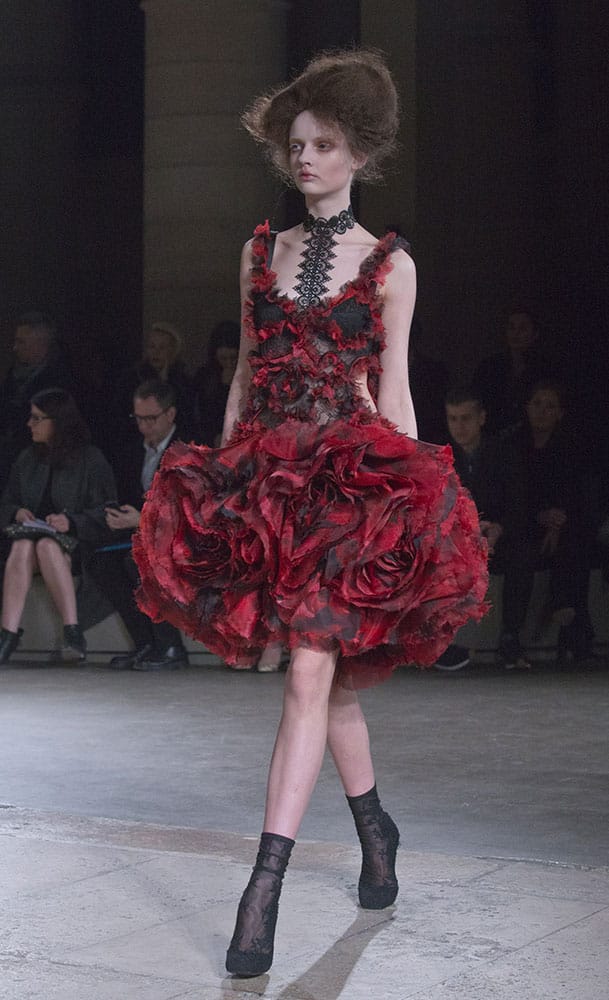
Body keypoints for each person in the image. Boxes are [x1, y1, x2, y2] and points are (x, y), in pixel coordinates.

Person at [133, 50, 488, 977]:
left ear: (358, 154)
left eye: (323, 145)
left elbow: (397, 394)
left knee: (307, 677)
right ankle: (375, 831)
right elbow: (247, 378)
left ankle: (264, 891)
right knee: (321, 685)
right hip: (269, 490)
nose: (304, 159)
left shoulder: (391, 266)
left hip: (353, 497)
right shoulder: (258, 251)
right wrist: (218, 486)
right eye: (294, 144)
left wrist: (418, 508)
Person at [0, 387, 116, 663]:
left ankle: (71, 630)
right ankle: (9, 632)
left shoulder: (90, 459)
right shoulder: (27, 458)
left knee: (46, 548)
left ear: (58, 421)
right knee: (25, 545)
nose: (30, 424)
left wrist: (71, 521)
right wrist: (17, 513)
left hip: (74, 543)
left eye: (37, 418)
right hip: (29, 538)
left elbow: (107, 509)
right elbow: (7, 502)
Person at [89, 380, 189, 671]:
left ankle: (170, 646)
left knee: (139, 561)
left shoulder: (188, 448)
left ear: (170, 414)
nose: (144, 425)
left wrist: (143, 518)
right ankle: (145, 642)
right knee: (101, 562)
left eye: (151, 418)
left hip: (182, 536)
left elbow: (191, 507)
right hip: (141, 532)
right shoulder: (131, 451)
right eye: (138, 418)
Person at [436, 387, 508, 670]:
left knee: (522, 555)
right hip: (457, 535)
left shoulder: (502, 453)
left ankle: (510, 638)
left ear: (482, 418)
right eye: (453, 419)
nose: (459, 426)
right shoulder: (442, 455)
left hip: (497, 532)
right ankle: (447, 643)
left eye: (466, 418)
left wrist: (497, 529)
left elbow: (516, 501)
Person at [0, 313, 73, 488]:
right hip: (13, 450)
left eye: (21, 342)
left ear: (40, 345)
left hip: (44, 453)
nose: (15, 348)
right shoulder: (15, 374)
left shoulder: (60, 377)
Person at [194, 320, 240, 447]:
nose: (229, 363)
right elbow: (204, 415)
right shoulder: (204, 376)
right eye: (224, 358)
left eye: (233, 358)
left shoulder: (250, 375)